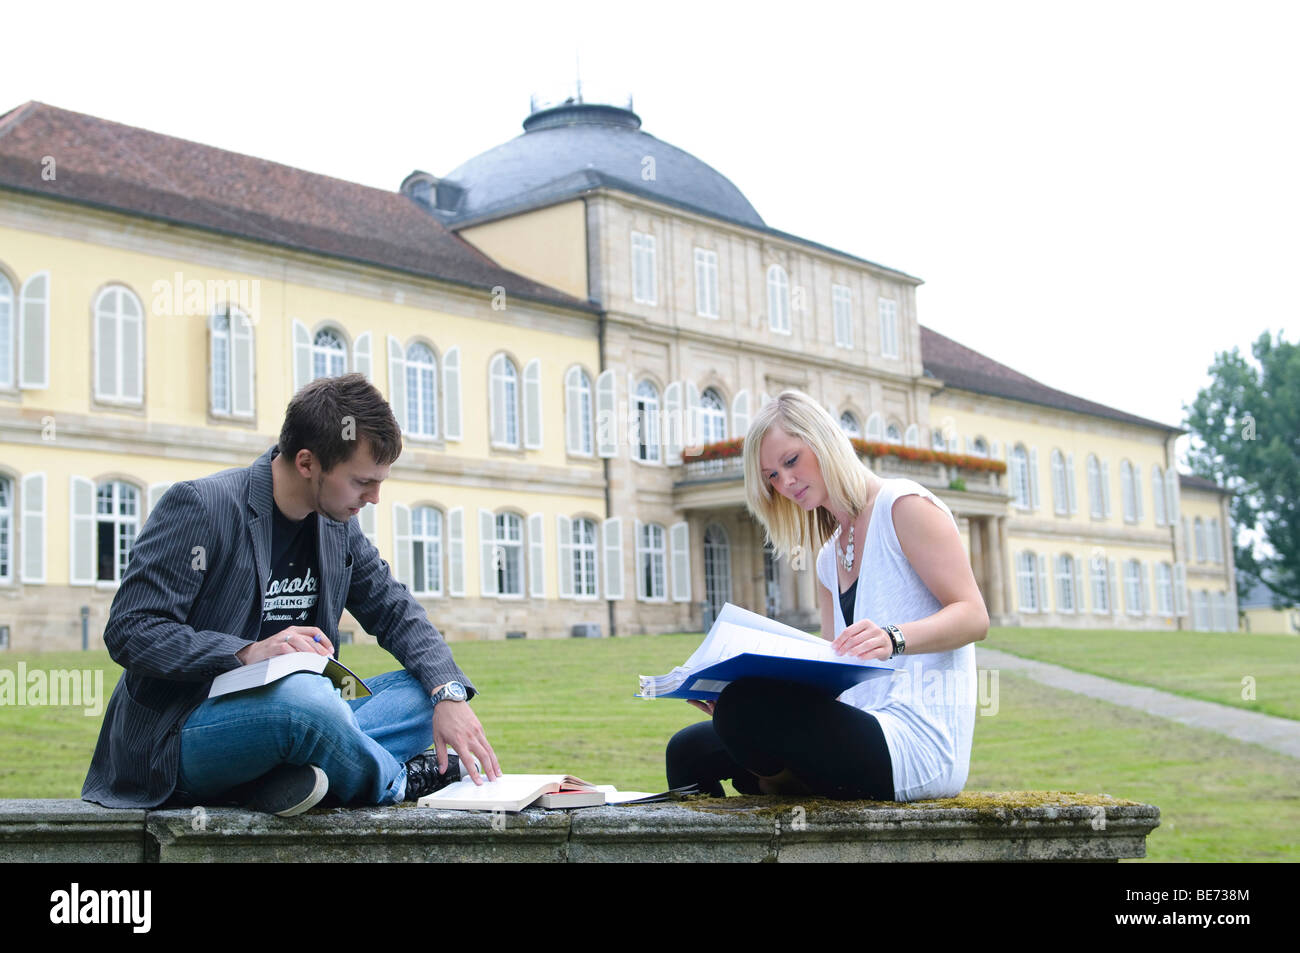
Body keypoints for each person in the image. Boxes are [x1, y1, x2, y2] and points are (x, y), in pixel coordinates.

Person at [83, 373, 501, 816]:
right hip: (183, 731)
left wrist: (448, 694)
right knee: (307, 703)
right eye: (362, 482)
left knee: (422, 695)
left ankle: (279, 779)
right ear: (307, 463)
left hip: (302, 713)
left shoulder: (337, 524)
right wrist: (246, 652)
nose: (376, 497)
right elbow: (131, 630)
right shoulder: (201, 507)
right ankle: (395, 783)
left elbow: (394, 610)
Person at [665, 390, 988, 801]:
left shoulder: (905, 507)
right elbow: (831, 673)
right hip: (856, 725)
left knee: (745, 710)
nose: (785, 482)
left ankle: (781, 787)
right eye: (771, 476)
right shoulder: (827, 556)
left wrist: (894, 638)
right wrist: (722, 693)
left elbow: (974, 616)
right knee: (689, 750)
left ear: (823, 441)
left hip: (913, 743)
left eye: (790, 461)